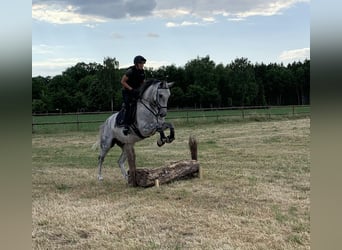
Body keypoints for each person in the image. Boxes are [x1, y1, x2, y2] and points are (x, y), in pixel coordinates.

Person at [120, 55, 146, 135]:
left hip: (136, 91)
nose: (142, 65)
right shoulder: (130, 71)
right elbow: (122, 81)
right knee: (128, 106)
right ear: (136, 64)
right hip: (127, 92)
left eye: (143, 63)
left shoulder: (142, 72)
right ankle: (126, 125)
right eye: (141, 63)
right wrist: (131, 89)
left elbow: (142, 83)